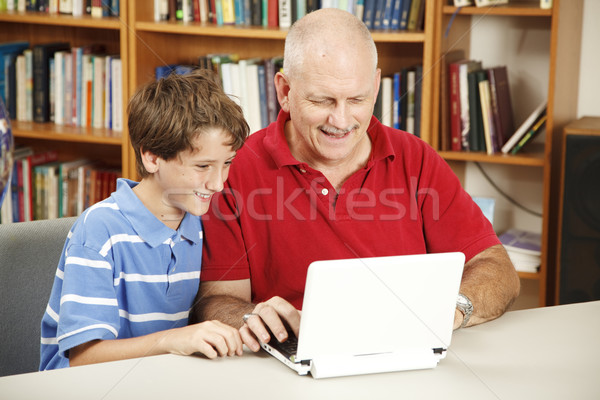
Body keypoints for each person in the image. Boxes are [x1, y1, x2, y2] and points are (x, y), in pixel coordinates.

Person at [193, 8, 520, 352]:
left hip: (406, 355)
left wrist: (450, 311)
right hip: (291, 362)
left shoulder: (416, 158)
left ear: (376, 86)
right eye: (322, 99)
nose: (341, 119)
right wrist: (252, 319)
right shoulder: (234, 169)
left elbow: (497, 269)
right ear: (284, 90)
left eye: (357, 99)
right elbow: (216, 300)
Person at [39, 69, 249, 370]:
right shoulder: (99, 230)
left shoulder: (201, 223)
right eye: (203, 166)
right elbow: (83, 358)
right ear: (152, 158)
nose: (218, 183)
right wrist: (174, 340)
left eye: (226, 164)